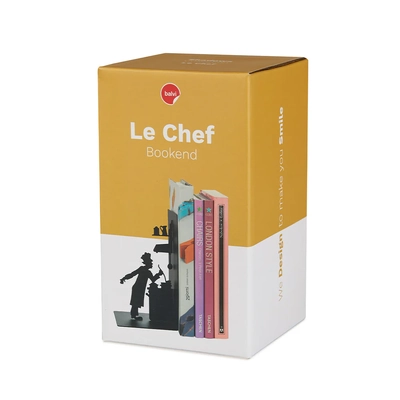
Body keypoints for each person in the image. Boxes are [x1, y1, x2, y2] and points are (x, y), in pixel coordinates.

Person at [120, 252, 163, 320]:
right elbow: (132, 274)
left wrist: (158, 274)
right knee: (135, 302)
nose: (152, 264)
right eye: (151, 262)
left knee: (136, 302)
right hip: (138, 288)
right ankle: (134, 315)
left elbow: (152, 279)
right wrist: (124, 278)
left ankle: (134, 315)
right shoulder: (143, 269)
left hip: (139, 288)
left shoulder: (147, 271)